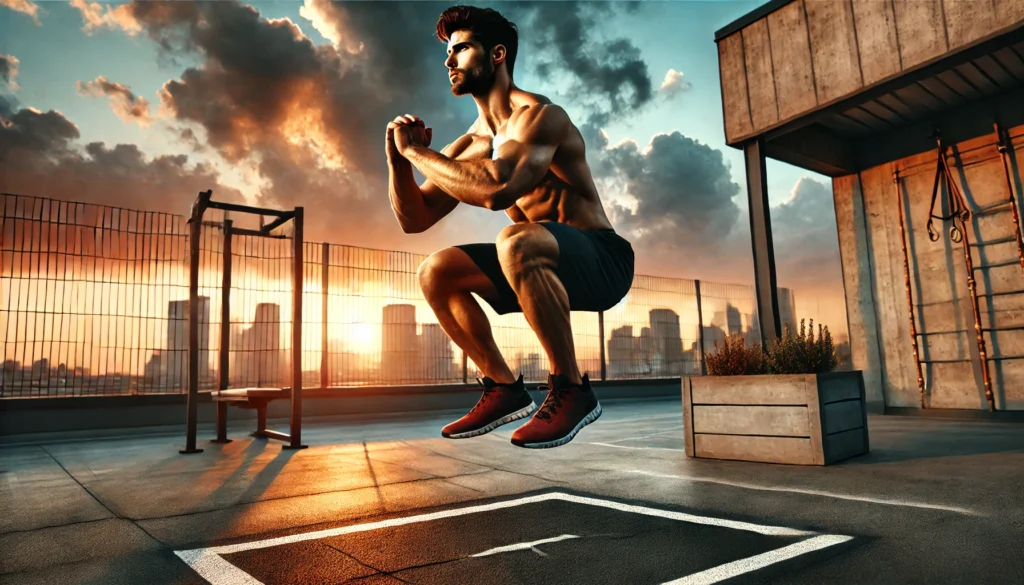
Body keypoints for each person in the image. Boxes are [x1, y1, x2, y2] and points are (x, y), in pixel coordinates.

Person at [384, 5, 634, 449]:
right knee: (436, 271)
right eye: (447, 51)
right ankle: (503, 388)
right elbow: (414, 219)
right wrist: (399, 162)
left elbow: (498, 188)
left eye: (460, 48)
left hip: (601, 260)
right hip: (532, 262)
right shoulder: (473, 142)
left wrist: (418, 154)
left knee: (516, 238)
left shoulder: (539, 117)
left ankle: (572, 390)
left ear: (496, 54)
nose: (449, 61)